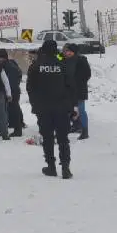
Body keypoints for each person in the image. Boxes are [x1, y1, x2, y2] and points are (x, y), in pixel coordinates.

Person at [25, 39, 76, 179]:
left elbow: (30, 88)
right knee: (63, 139)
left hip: (43, 108)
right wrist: (71, 106)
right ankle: (65, 168)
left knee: (47, 138)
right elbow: (70, 87)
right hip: (61, 107)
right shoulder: (62, 64)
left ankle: (51, 167)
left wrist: (35, 105)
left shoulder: (36, 66)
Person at [62, 44, 92, 139]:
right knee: (70, 109)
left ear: (74, 51)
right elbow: (57, 57)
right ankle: (75, 125)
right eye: (66, 51)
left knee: (81, 110)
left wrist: (77, 82)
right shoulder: (64, 58)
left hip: (79, 90)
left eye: (69, 51)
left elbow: (87, 74)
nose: (67, 53)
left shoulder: (81, 60)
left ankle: (85, 131)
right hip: (68, 90)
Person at [0, 48, 25, 137]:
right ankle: (15, 126)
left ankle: (18, 130)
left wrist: (8, 92)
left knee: (13, 109)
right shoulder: (10, 64)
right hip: (11, 91)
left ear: (2, 58)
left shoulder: (9, 67)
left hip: (12, 92)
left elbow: (11, 81)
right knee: (11, 109)